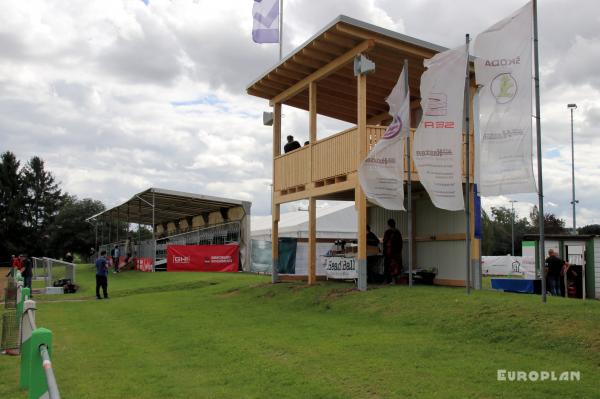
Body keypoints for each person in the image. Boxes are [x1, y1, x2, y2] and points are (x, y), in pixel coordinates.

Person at [383, 219, 403, 284]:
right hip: (397, 253)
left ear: (388, 225)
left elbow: (385, 242)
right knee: (396, 266)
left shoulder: (387, 232)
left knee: (389, 266)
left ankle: (389, 280)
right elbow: (401, 243)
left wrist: (384, 251)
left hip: (390, 253)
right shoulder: (398, 232)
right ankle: (395, 280)